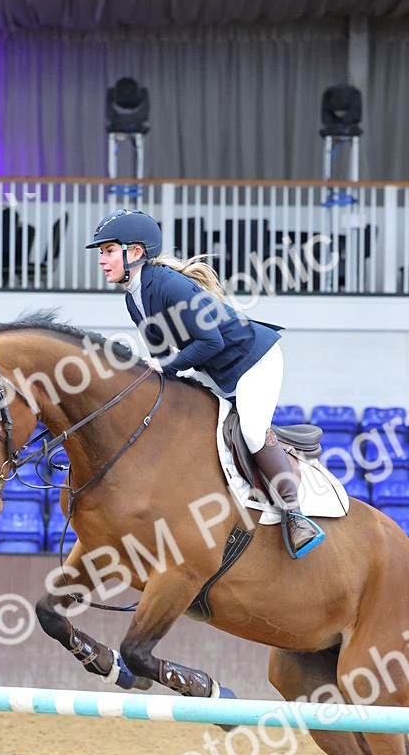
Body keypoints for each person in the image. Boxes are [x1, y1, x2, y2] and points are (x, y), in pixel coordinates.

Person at [86, 209, 324, 558]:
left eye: (108, 251)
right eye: (101, 253)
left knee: (254, 431)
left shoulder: (167, 284)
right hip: (213, 368)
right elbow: (162, 356)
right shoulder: (133, 298)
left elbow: (208, 342)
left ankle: (294, 514)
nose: (102, 260)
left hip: (252, 361)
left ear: (135, 253)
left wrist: (164, 366)